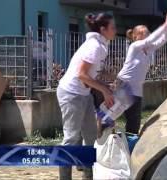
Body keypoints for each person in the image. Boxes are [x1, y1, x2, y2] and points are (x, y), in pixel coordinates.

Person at [56, 12, 116, 180]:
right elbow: (82, 74)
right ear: (103, 29)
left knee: (90, 135)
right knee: (71, 137)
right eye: (113, 27)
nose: (115, 30)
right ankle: (65, 177)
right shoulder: (94, 46)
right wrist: (104, 90)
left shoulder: (101, 45)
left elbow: (95, 69)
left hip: (84, 94)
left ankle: (88, 176)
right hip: (71, 93)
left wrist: (113, 78)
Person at [116, 7, 167, 134]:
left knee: (134, 122)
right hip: (124, 84)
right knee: (111, 114)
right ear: (136, 35)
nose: (148, 35)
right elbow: (151, 39)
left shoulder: (148, 50)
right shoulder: (135, 46)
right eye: (145, 33)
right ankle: (98, 135)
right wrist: (166, 21)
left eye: (148, 32)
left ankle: (130, 146)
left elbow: (163, 39)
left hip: (137, 89)